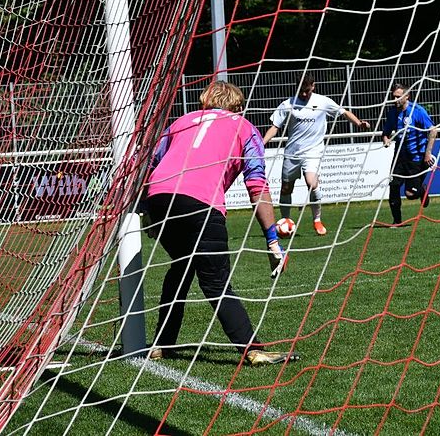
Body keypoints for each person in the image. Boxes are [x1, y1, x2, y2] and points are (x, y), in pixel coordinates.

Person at [145, 81, 300, 366]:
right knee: (215, 280)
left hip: (158, 197)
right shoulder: (245, 127)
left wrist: (149, 213)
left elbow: (153, 164)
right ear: (238, 106)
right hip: (200, 202)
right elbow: (257, 185)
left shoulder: (181, 121)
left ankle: (161, 344)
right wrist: (272, 240)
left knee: (182, 266)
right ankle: (252, 350)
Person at [262, 76, 370, 236]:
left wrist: (359, 123)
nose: (304, 94)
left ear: (313, 86)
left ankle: (317, 220)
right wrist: (261, 143)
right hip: (292, 153)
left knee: (311, 182)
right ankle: (285, 221)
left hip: (313, 151)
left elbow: (344, 112)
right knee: (286, 188)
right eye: (301, 91)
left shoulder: (323, 101)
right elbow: (275, 127)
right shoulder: (288, 104)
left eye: (307, 90)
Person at [381, 82, 437, 226]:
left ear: (407, 96)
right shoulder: (392, 113)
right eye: (393, 97)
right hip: (399, 157)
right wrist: (386, 139)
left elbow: (433, 130)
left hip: (416, 157)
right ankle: (397, 221)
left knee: (410, 194)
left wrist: (428, 153)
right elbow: (386, 132)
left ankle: (422, 191)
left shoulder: (417, 111)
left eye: (398, 97)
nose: (395, 100)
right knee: (393, 186)